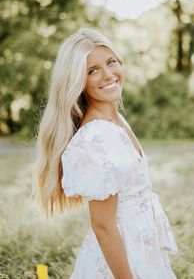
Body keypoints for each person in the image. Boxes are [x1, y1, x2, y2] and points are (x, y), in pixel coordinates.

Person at [32, 28, 178, 278]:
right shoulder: (95, 138)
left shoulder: (116, 120)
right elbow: (103, 225)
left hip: (142, 249)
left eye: (111, 62)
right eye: (92, 70)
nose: (108, 75)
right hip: (121, 259)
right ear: (78, 81)